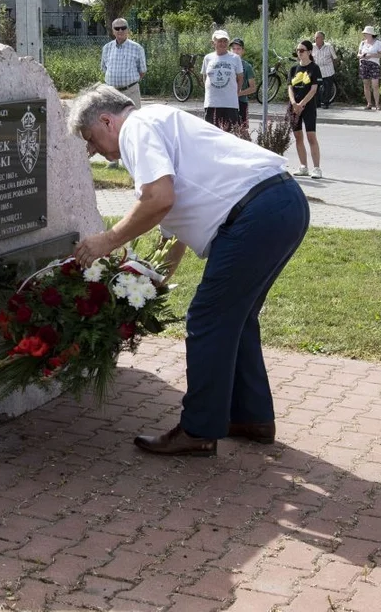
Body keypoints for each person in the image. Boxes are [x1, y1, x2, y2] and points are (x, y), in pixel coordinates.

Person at [68, 84, 309, 456]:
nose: (92, 150)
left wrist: (107, 241)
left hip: (257, 214)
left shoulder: (136, 129)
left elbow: (158, 200)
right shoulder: (157, 122)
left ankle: (199, 429)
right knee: (236, 318)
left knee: (208, 319)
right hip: (282, 203)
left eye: (91, 139)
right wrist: (152, 280)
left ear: (106, 120)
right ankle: (251, 417)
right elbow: (172, 221)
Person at [288, 40, 323, 179]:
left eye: (302, 50)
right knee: (298, 136)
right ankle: (303, 166)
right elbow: (290, 87)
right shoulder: (293, 69)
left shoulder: (314, 68)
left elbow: (314, 89)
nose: (299, 53)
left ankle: (317, 168)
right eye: (297, 50)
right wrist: (294, 104)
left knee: (311, 136)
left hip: (308, 107)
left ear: (309, 52)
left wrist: (301, 104)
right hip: (294, 107)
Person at [200, 29, 243, 130]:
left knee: (231, 134)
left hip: (230, 104)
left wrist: (235, 93)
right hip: (212, 103)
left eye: (225, 41)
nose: (223, 43)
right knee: (211, 133)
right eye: (220, 41)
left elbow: (240, 78)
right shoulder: (208, 58)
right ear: (213, 43)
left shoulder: (235, 58)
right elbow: (205, 78)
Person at [100, 18, 147, 109]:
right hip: (111, 93)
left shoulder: (137, 48)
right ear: (113, 31)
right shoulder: (107, 48)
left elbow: (142, 71)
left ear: (128, 30)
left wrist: (129, 83)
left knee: (134, 119)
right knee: (112, 121)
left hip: (131, 92)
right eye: (117, 28)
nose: (120, 30)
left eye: (123, 28)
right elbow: (104, 68)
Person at [230, 38, 257, 124]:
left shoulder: (247, 66)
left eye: (238, 49)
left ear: (243, 51)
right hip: (227, 102)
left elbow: (253, 88)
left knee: (243, 129)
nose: (236, 51)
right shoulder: (226, 64)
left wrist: (239, 93)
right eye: (233, 49)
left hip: (241, 102)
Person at [358, 26, 381, 110]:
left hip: (374, 65)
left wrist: (371, 55)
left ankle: (377, 104)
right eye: (364, 33)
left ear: (370, 34)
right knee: (366, 84)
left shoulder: (378, 43)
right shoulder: (362, 43)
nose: (365, 34)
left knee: (375, 85)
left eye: (366, 33)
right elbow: (358, 54)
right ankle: (369, 103)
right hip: (364, 64)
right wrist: (362, 56)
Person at [312, 31, 340, 109]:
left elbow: (335, 58)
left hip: (327, 70)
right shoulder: (312, 47)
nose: (315, 39)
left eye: (317, 37)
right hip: (317, 70)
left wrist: (333, 67)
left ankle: (326, 103)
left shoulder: (329, 47)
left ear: (322, 38)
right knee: (315, 88)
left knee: (327, 88)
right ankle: (316, 103)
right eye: (315, 37)